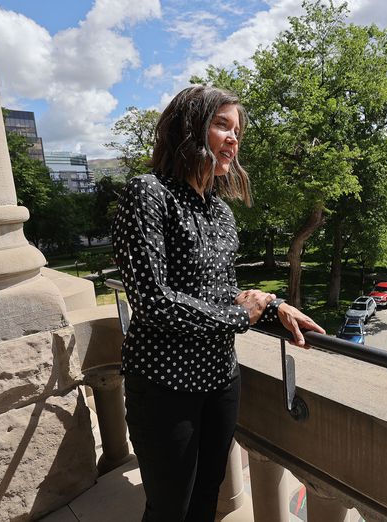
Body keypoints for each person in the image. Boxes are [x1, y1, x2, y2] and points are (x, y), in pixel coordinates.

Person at [112, 85, 325, 521]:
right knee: (170, 506)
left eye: (237, 130)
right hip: (164, 385)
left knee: (209, 492)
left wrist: (271, 306)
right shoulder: (147, 194)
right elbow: (153, 301)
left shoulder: (221, 213)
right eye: (221, 125)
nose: (234, 138)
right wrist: (239, 315)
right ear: (189, 128)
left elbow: (223, 288)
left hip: (220, 379)